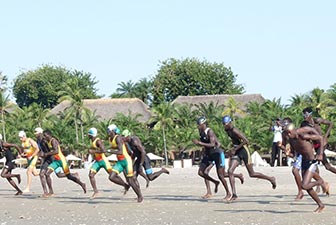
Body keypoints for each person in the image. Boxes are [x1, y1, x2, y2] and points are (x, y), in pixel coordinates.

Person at [222, 115, 276, 201]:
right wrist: (231, 149)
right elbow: (235, 141)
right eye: (223, 124)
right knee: (230, 171)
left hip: (244, 151)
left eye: (225, 124)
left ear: (229, 122)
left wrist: (235, 149)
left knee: (252, 174)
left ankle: (270, 178)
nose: (224, 125)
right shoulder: (227, 130)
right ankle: (234, 194)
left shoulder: (235, 130)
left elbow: (246, 141)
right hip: (237, 152)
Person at [284, 123, 329, 213]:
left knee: (304, 185)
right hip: (304, 162)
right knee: (307, 187)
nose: (288, 135)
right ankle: (321, 205)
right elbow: (294, 153)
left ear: (294, 130)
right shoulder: (291, 140)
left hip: (312, 161)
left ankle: (320, 182)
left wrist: (320, 154)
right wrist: (289, 154)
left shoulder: (302, 135)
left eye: (289, 132)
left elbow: (320, 138)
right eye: (287, 133)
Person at [193, 116, 235, 201]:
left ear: (203, 124)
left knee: (221, 175)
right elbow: (206, 145)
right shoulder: (201, 132)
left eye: (199, 125)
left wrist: (200, 143)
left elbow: (213, 144)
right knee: (201, 172)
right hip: (209, 155)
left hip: (217, 154)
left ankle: (228, 193)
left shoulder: (210, 131)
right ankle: (214, 183)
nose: (198, 126)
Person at [40, 130, 86, 197]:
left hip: (62, 161)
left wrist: (46, 154)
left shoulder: (53, 141)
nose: (44, 137)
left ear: (49, 135)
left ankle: (82, 184)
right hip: (56, 161)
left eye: (45, 135)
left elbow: (56, 151)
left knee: (69, 176)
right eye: (43, 135)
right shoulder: (48, 141)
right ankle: (51, 192)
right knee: (47, 174)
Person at [107, 124, 143, 202]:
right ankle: (125, 185)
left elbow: (120, 151)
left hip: (126, 161)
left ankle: (140, 196)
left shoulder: (118, 138)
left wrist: (109, 151)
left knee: (130, 180)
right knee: (111, 177)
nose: (108, 133)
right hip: (120, 161)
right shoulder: (110, 139)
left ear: (113, 131)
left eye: (109, 131)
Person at [301, 107, 336, 174]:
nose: (304, 116)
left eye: (306, 114)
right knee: (327, 166)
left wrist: (326, 136)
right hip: (316, 145)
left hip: (322, 143)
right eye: (303, 115)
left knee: (314, 161)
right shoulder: (304, 124)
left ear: (310, 114)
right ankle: (319, 181)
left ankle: (319, 182)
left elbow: (331, 123)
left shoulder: (317, 120)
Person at [87, 127, 113, 199]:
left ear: (91, 135)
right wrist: (94, 157)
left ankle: (125, 185)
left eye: (89, 134)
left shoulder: (98, 141)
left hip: (103, 161)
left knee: (113, 176)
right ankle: (96, 192)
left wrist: (93, 152)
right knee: (91, 175)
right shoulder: (93, 141)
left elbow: (103, 150)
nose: (88, 135)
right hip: (97, 161)